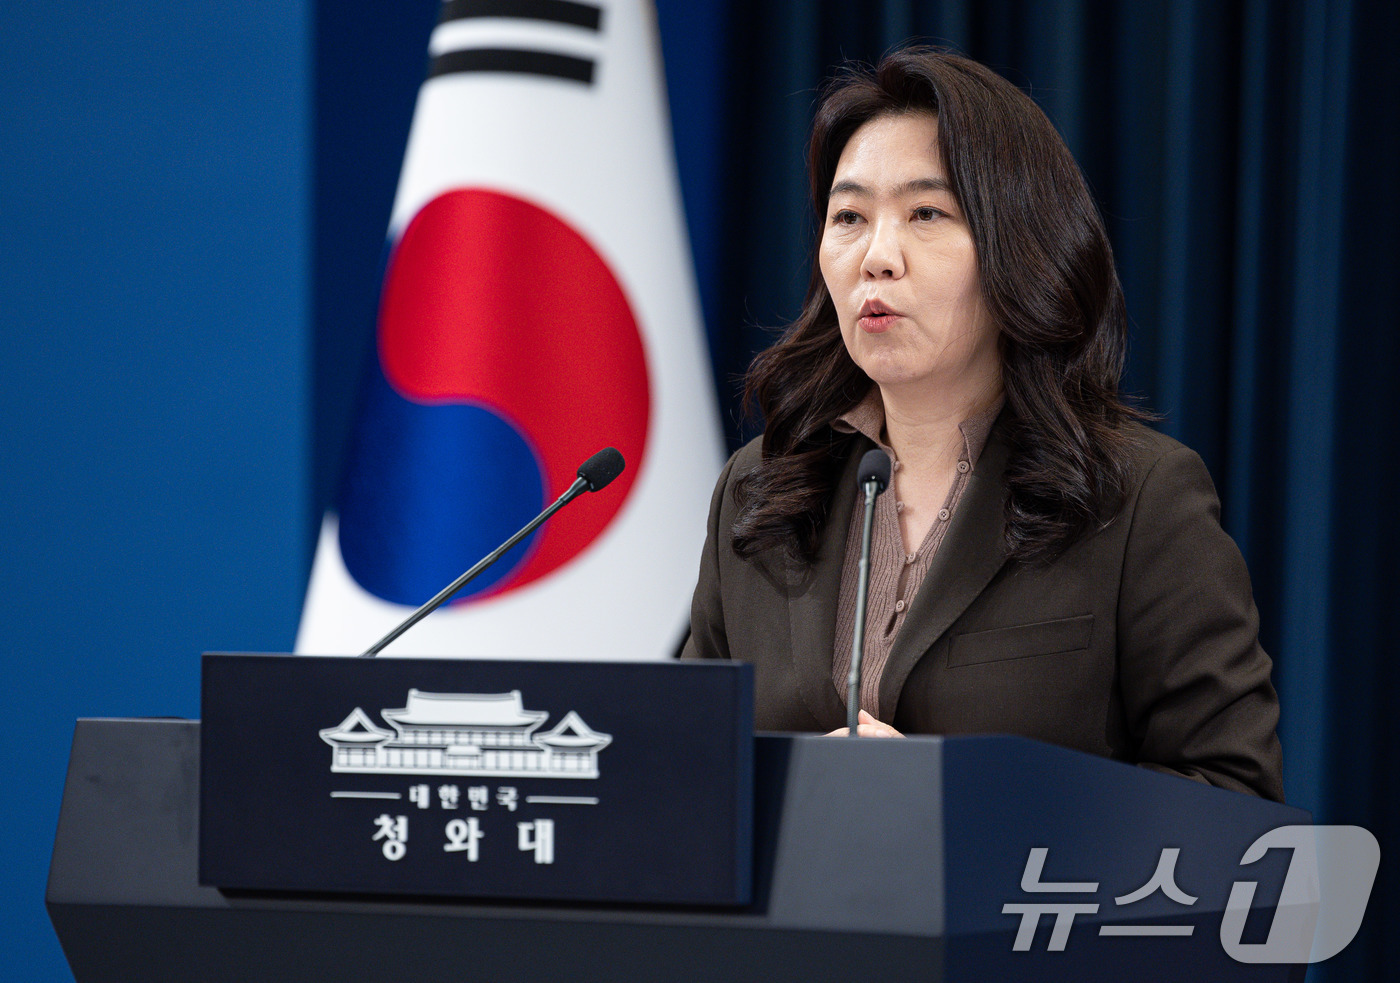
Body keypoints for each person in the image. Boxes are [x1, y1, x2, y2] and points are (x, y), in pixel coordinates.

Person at [681, 47, 1284, 802]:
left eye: (927, 214)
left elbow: (1233, 793)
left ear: (1018, 246)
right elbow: (683, 768)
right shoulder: (759, 491)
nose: (878, 257)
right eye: (850, 217)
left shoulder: (1136, 498)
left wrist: (952, 804)